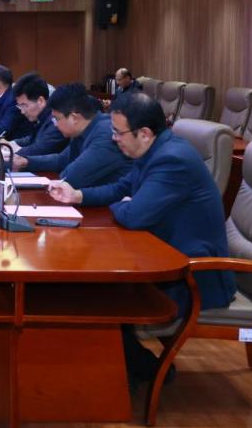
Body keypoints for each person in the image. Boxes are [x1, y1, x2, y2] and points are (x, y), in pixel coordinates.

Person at [48, 92, 236, 387]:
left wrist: (125, 204)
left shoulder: (172, 160)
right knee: (85, 285)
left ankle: (144, 370)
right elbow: (121, 188)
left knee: (92, 293)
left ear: (145, 133)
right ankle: (119, 368)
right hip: (162, 257)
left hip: (192, 276)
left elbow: (134, 216)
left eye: (118, 132)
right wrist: (78, 195)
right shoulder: (151, 150)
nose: (113, 139)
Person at [21, 83, 132, 188]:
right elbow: (61, 160)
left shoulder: (106, 134)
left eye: (56, 119)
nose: (55, 125)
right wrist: (25, 162)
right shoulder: (83, 130)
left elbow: (70, 177)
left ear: (74, 118)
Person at [5, 72, 68, 171]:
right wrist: (10, 143)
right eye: (20, 106)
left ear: (41, 101)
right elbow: (31, 139)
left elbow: (40, 149)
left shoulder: (56, 120)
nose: (22, 111)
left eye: (24, 105)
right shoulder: (42, 117)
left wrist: (10, 153)